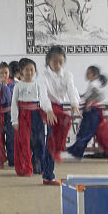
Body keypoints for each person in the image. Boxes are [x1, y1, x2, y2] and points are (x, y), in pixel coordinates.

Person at [10, 58, 57, 184]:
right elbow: (14, 104)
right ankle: (25, 169)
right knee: (24, 143)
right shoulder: (17, 86)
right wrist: (14, 120)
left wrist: (47, 112)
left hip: (36, 115)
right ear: (21, 71)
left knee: (39, 142)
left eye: (32, 70)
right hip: (23, 116)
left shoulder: (38, 85)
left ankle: (39, 168)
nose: (29, 72)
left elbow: (43, 100)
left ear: (35, 71)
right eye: (27, 70)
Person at [41, 46, 81, 179]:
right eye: (54, 62)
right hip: (46, 107)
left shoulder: (68, 75)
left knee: (51, 139)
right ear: (48, 61)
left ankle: (48, 174)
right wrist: (48, 111)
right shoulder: (43, 75)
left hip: (59, 107)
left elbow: (71, 89)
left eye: (60, 62)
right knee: (65, 121)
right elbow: (43, 95)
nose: (57, 65)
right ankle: (55, 156)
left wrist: (74, 104)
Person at [66, 65, 108, 161]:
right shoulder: (93, 84)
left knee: (85, 133)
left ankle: (78, 155)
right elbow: (91, 95)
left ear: (95, 75)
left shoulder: (93, 84)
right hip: (94, 112)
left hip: (92, 112)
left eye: (89, 73)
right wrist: (81, 95)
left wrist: (91, 102)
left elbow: (101, 95)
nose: (86, 75)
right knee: (101, 134)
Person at [0, 62, 15, 170]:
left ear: (9, 73)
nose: (4, 75)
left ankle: (12, 160)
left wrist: (5, 87)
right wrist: (0, 86)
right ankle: (0, 161)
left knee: (11, 138)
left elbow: (10, 99)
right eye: (1, 73)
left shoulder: (13, 84)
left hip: (10, 114)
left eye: (6, 73)